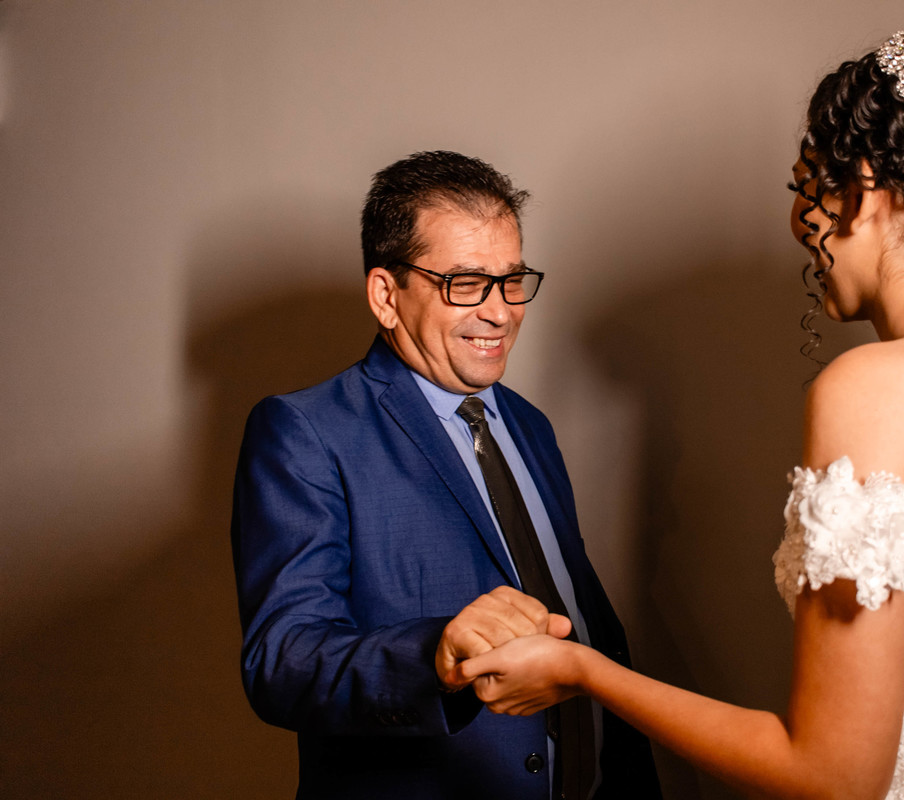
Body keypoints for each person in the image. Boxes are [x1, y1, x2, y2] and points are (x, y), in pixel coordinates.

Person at [449, 25, 904, 799]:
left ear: (861, 192)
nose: (799, 226)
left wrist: (583, 672)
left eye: (804, 187)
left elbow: (833, 775)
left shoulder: (872, 389)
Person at [231, 150, 660, 800]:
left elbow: (582, 618)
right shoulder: (305, 432)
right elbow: (282, 662)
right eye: (465, 283)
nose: (500, 311)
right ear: (386, 296)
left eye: (511, 280)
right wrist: (435, 653)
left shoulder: (530, 426)